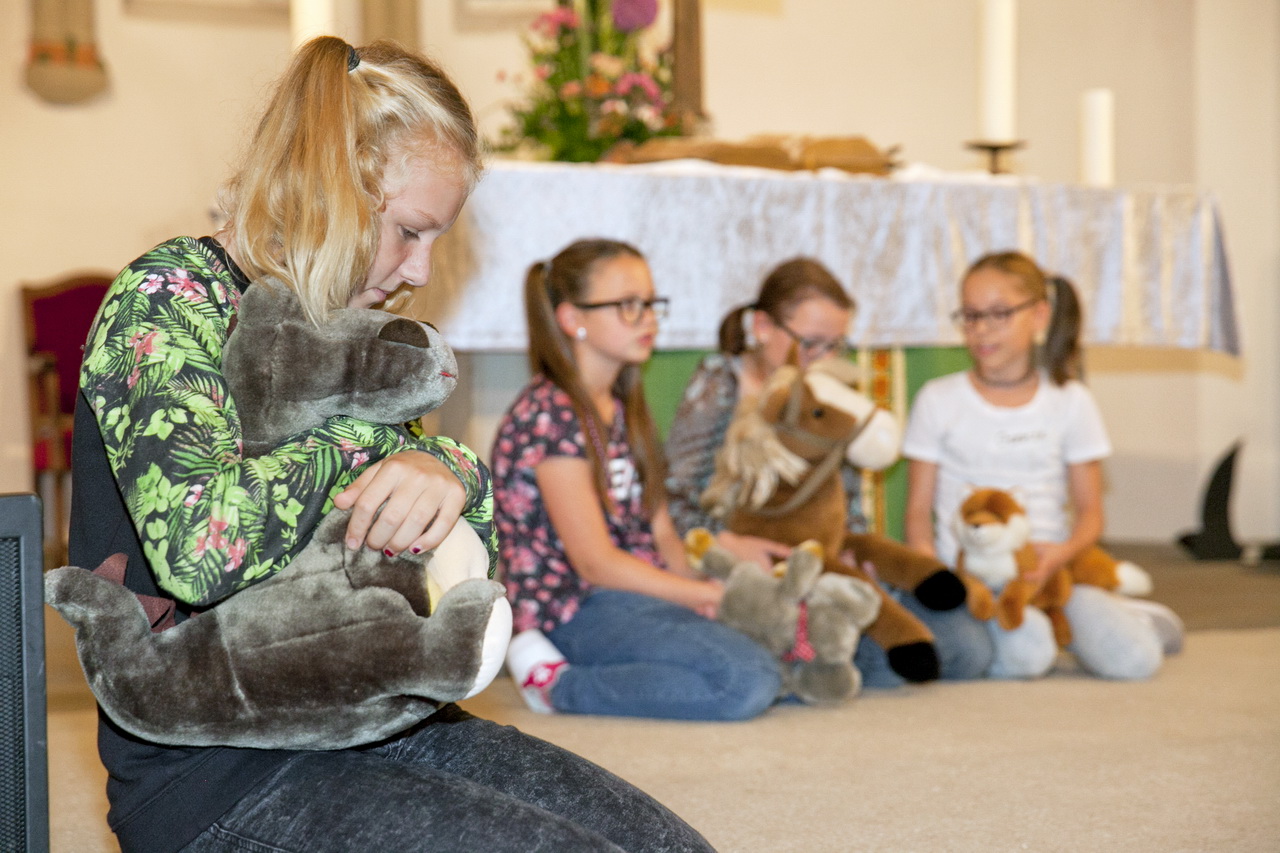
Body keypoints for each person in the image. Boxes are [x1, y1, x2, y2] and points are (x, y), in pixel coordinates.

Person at [69, 37, 714, 853]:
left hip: (382, 717)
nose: (421, 269)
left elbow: (458, 565)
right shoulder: (167, 296)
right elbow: (202, 551)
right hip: (220, 772)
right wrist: (364, 441)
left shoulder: (348, 323)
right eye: (410, 231)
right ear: (331, 188)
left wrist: (447, 467)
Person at [663, 258, 994, 687]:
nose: (823, 357)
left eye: (836, 345)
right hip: (754, 571)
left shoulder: (828, 390)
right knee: (890, 659)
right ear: (763, 327)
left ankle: (825, 651)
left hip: (824, 561)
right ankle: (807, 655)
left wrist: (854, 548)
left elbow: (846, 495)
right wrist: (728, 541)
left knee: (968, 649)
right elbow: (674, 495)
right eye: (811, 343)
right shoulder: (719, 384)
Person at [491, 238, 782, 719]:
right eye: (629, 305)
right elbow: (595, 563)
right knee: (745, 678)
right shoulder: (548, 414)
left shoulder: (624, 407)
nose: (648, 319)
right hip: (576, 609)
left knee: (781, 643)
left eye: (650, 304)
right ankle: (559, 686)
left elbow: (662, 533)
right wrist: (703, 596)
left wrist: (708, 586)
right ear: (572, 318)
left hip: (635, 592)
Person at [902, 249, 1183, 680]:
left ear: (1038, 315)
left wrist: (1060, 555)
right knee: (1015, 659)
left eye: (999, 314)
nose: (981, 330)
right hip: (970, 575)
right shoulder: (938, 399)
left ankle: (1127, 616)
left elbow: (1090, 514)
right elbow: (918, 513)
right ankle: (1036, 632)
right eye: (971, 315)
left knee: (1136, 662)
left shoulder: (1071, 402)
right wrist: (936, 573)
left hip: (1051, 574)